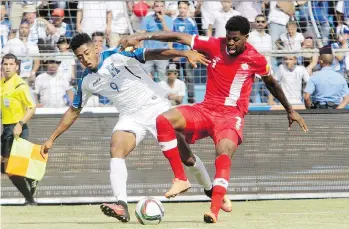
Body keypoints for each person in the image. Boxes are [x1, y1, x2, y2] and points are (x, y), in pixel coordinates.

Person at [118, 15, 308, 223]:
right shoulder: (214, 45)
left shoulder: (256, 59)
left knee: (223, 153)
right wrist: (142, 35)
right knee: (163, 120)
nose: (231, 43)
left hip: (230, 117)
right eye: (228, 38)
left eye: (236, 39)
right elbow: (178, 36)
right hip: (206, 109)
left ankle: (214, 210)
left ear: (246, 37)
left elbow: (271, 83)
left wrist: (289, 109)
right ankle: (180, 178)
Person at [40, 33, 232, 223]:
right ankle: (121, 206)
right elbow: (73, 111)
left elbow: (154, 53)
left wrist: (184, 54)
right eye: (80, 57)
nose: (85, 59)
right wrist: (51, 138)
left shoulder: (117, 55)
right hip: (130, 116)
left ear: (96, 48)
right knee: (116, 149)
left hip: (156, 107)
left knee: (186, 157)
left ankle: (210, 190)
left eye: (87, 53)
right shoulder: (87, 81)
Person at [1, 53, 38, 205]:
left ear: (17, 67)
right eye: (5, 64)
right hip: (7, 129)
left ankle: (30, 200)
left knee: (10, 168)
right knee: (5, 168)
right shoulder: (2, 83)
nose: (8, 67)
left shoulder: (20, 85)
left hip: (17, 129)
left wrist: (20, 124)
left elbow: (32, 107)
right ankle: (31, 177)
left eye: (11, 64)